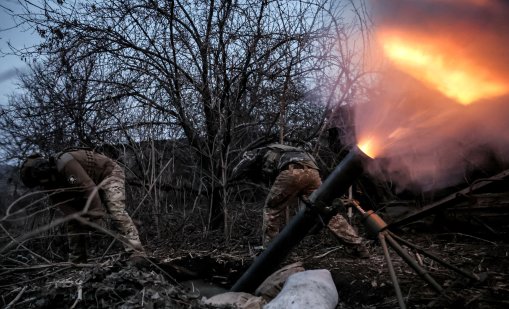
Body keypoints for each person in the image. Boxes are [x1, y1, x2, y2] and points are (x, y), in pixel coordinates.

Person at [233, 143, 369, 258]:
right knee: (324, 211)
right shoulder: (285, 150)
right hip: (312, 172)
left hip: (292, 171)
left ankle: (268, 252)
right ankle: (358, 246)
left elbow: (241, 167)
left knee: (271, 209)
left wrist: (233, 177)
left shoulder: (257, 151)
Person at [20, 148, 146, 264]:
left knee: (116, 210)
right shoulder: (48, 183)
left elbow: (89, 189)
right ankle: (77, 260)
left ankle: (136, 251)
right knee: (73, 221)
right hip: (86, 185)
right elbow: (65, 207)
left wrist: (97, 219)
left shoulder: (65, 163)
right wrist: (81, 218)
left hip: (108, 174)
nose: (43, 183)